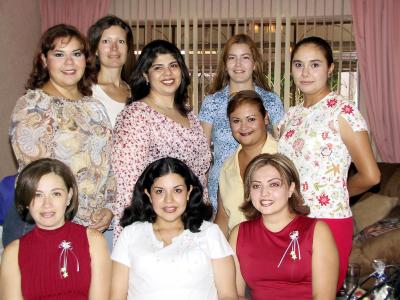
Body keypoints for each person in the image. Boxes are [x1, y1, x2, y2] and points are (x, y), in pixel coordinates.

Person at [278, 36, 381, 289]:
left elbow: (371, 175)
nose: (305, 73)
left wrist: (336, 192)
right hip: (287, 220)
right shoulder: (290, 116)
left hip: (328, 219)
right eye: (298, 64)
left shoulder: (343, 112)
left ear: (330, 68)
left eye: (315, 64)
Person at [8, 24, 114, 238]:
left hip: (95, 227)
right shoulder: (33, 106)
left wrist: (110, 207)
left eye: (76, 54)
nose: (69, 62)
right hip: (49, 225)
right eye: (59, 54)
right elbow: (36, 177)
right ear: (44, 60)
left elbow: (108, 163)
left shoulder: (95, 107)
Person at [112, 40, 211, 241]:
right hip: (155, 226)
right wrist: (129, 239)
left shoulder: (188, 114)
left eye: (173, 66)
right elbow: (127, 185)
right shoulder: (137, 115)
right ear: (145, 75)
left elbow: (201, 174)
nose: (168, 73)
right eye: (158, 67)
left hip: (192, 221)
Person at [110, 157, 237, 300]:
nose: (168, 200)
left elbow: (228, 295)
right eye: (159, 191)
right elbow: (117, 296)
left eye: (177, 190)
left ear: (188, 192)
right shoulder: (130, 234)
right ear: (148, 195)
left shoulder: (210, 233)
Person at [229, 153, 339, 300]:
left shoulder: (317, 231)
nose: (264, 193)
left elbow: (324, 297)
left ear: (291, 189)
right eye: (256, 186)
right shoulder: (239, 233)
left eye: (274, 184)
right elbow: (234, 295)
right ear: (249, 193)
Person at [0, 158, 111, 300]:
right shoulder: (13, 253)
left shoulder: (94, 241)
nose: (47, 204)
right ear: (26, 201)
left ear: (69, 196)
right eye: (37, 195)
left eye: (56, 193)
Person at [199, 34, 284, 210]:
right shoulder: (212, 102)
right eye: (232, 58)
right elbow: (202, 152)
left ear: (254, 64)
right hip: (221, 188)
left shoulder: (271, 101)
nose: (238, 64)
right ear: (225, 64)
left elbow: (282, 146)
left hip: (262, 186)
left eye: (245, 58)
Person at [216, 90, 277, 236]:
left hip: (279, 249)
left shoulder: (285, 156)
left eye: (251, 119)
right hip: (235, 251)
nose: (243, 127)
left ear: (266, 118)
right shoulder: (227, 167)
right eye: (236, 121)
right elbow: (223, 218)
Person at [88, 15, 135, 127]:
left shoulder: (136, 92)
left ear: (128, 48)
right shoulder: (86, 91)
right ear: (96, 50)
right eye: (106, 41)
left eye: (121, 41)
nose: (114, 48)